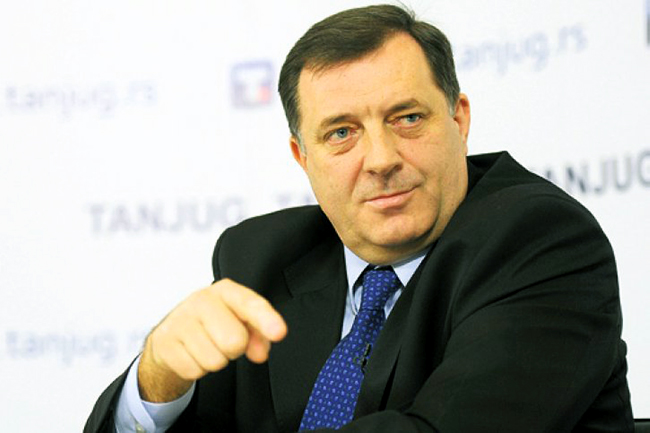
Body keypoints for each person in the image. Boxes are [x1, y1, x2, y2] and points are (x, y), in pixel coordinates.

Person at [85, 4, 634, 432]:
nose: (381, 159)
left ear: (459, 120)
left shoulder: (540, 241)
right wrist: (157, 380)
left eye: (407, 118)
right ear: (303, 157)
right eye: (342, 133)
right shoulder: (259, 259)